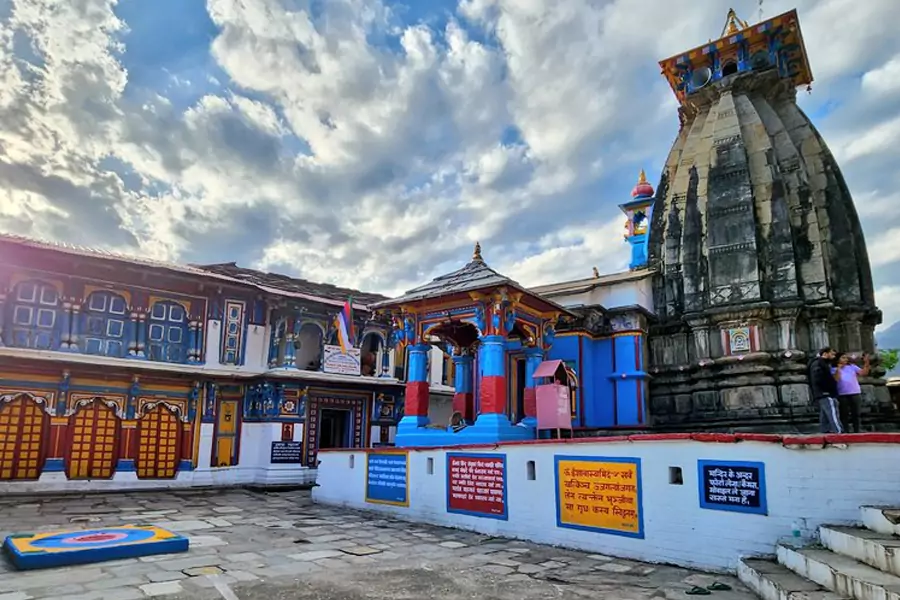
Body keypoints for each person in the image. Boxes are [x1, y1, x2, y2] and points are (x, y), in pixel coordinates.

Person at [834, 352, 870, 433]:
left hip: (855, 392)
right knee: (844, 414)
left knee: (856, 413)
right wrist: (838, 369)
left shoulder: (852, 367)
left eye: (846, 358)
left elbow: (863, 373)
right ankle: (845, 430)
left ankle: (857, 429)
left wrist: (866, 362)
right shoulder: (833, 368)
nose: (845, 359)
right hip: (842, 394)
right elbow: (836, 379)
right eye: (843, 358)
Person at [809, 347, 842, 434]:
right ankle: (838, 431)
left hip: (822, 392)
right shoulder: (819, 364)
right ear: (825, 354)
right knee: (832, 413)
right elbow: (819, 379)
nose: (834, 356)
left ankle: (825, 431)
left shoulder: (824, 364)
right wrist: (828, 388)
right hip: (825, 392)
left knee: (825, 414)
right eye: (832, 354)